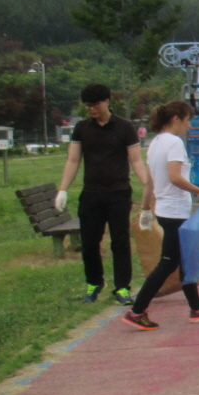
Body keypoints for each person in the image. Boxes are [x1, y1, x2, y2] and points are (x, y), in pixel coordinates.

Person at [121, 101, 199, 331]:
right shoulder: (175, 143)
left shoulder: (155, 143)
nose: (189, 126)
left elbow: (150, 181)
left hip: (165, 211)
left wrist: (146, 208)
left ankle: (197, 307)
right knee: (168, 263)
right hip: (175, 211)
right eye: (187, 121)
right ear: (176, 119)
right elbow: (174, 177)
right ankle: (137, 311)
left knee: (184, 260)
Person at [55, 83, 152, 304]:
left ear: (107, 101)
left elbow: (135, 160)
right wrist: (63, 189)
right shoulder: (82, 128)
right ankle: (94, 282)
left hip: (118, 192)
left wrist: (148, 186)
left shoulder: (125, 127)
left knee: (119, 241)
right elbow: (73, 159)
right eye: (88, 106)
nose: (92, 109)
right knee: (89, 241)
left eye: (95, 104)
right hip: (91, 193)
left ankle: (122, 287)